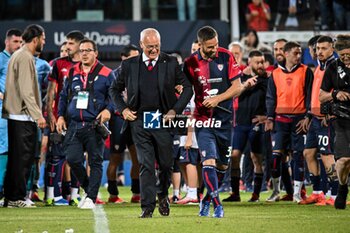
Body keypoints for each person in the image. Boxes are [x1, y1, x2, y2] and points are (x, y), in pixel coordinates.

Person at [110, 28, 193, 218]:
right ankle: (147, 207)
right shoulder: (129, 65)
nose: (154, 50)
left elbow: (188, 88)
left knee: (165, 164)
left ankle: (162, 194)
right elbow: (114, 89)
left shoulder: (171, 62)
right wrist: (123, 109)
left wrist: (174, 110)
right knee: (146, 163)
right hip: (139, 121)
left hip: (163, 120)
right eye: (149, 47)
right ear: (141, 45)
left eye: (157, 46)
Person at [183, 26, 256, 218]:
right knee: (208, 160)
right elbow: (184, 90)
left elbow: (237, 87)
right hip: (203, 120)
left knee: (223, 166)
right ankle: (217, 205)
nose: (215, 49)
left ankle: (206, 199)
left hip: (224, 120)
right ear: (200, 45)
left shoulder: (226, 56)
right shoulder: (189, 63)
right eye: (210, 47)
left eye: (216, 45)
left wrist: (217, 99)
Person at [56, 38, 115, 209]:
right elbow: (63, 96)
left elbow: (114, 97)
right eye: (81, 50)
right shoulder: (73, 72)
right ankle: (89, 190)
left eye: (88, 50)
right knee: (72, 159)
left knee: (95, 161)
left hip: (94, 124)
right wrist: (60, 116)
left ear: (96, 53)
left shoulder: (106, 73)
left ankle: (91, 197)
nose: (84, 53)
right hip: (74, 124)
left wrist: (109, 111)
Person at [2, 24, 46, 208]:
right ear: (35, 39)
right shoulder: (26, 57)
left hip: (16, 115)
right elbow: (27, 91)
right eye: (43, 39)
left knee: (16, 159)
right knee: (23, 160)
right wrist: (38, 116)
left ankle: (11, 196)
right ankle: (17, 198)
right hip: (23, 116)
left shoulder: (17, 55)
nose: (44, 42)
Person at [265, 41, 314, 203]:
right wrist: (270, 118)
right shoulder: (275, 74)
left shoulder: (306, 71)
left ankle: (297, 194)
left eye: (300, 53)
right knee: (275, 157)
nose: (299, 56)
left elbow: (309, 95)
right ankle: (276, 191)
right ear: (286, 54)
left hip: (299, 120)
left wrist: (308, 116)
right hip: (280, 121)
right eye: (295, 53)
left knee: (298, 156)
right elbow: (271, 98)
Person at [46, 30, 85, 206]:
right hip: (60, 117)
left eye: (70, 43)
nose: (67, 46)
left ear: (78, 45)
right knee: (56, 156)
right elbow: (51, 93)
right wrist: (51, 115)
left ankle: (74, 195)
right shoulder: (58, 63)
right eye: (66, 43)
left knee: (77, 157)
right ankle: (52, 196)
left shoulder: (86, 65)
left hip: (79, 118)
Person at [224, 50, 268, 203]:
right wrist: (244, 86)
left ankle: (255, 195)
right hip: (240, 124)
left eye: (262, 62)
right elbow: (231, 95)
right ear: (249, 63)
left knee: (256, 158)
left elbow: (273, 100)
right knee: (235, 156)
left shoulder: (267, 80)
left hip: (256, 124)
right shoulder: (240, 78)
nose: (261, 65)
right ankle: (235, 193)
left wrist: (267, 117)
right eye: (258, 62)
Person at [300, 35, 338, 206]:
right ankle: (317, 192)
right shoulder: (319, 67)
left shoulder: (335, 67)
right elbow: (314, 94)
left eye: (324, 48)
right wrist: (309, 115)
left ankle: (336, 196)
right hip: (315, 118)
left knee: (327, 155)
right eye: (317, 49)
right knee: (308, 153)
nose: (319, 51)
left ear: (332, 49)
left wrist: (330, 113)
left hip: (326, 119)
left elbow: (339, 92)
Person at [319, 34, 350, 209]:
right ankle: (343, 186)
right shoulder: (333, 67)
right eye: (342, 54)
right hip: (342, 119)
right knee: (342, 160)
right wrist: (334, 94)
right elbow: (321, 95)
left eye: (348, 54)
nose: (345, 57)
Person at [107, 44, 140, 204]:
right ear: (123, 58)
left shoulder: (141, 73)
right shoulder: (114, 75)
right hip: (119, 120)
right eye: (133, 57)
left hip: (135, 119)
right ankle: (113, 194)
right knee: (115, 158)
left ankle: (136, 192)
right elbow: (111, 98)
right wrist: (121, 111)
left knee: (137, 157)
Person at [0, 28, 22, 199]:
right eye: (15, 41)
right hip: (3, 111)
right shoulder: (1, 59)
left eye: (21, 42)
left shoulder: (20, 60)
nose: (18, 45)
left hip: (19, 112)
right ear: (7, 42)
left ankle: (16, 191)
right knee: (4, 149)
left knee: (18, 150)